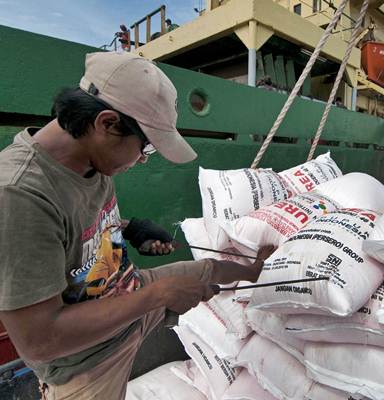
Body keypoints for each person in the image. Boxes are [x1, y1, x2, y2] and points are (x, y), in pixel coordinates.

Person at [0, 52, 275, 400]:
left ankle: (255, 271)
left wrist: (130, 228)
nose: (141, 160)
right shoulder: (19, 194)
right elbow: (38, 340)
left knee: (206, 269)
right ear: (107, 123)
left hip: (124, 292)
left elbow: (70, 227)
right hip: (89, 361)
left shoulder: (90, 159)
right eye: (145, 148)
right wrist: (157, 296)